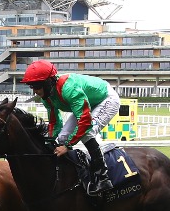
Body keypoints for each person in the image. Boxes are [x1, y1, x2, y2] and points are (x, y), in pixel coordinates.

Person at [20, 60, 121, 196]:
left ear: (48, 82)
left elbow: (85, 121)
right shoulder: (47, 97)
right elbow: (54, 123)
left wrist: (67, 146)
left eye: (37, 86)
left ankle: (103, 178)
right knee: (62, 136)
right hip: (88, 102)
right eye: (32, 87)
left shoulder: (68, 88)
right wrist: (49, 142)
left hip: (106, 99)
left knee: (88, 133)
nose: (35, 91)